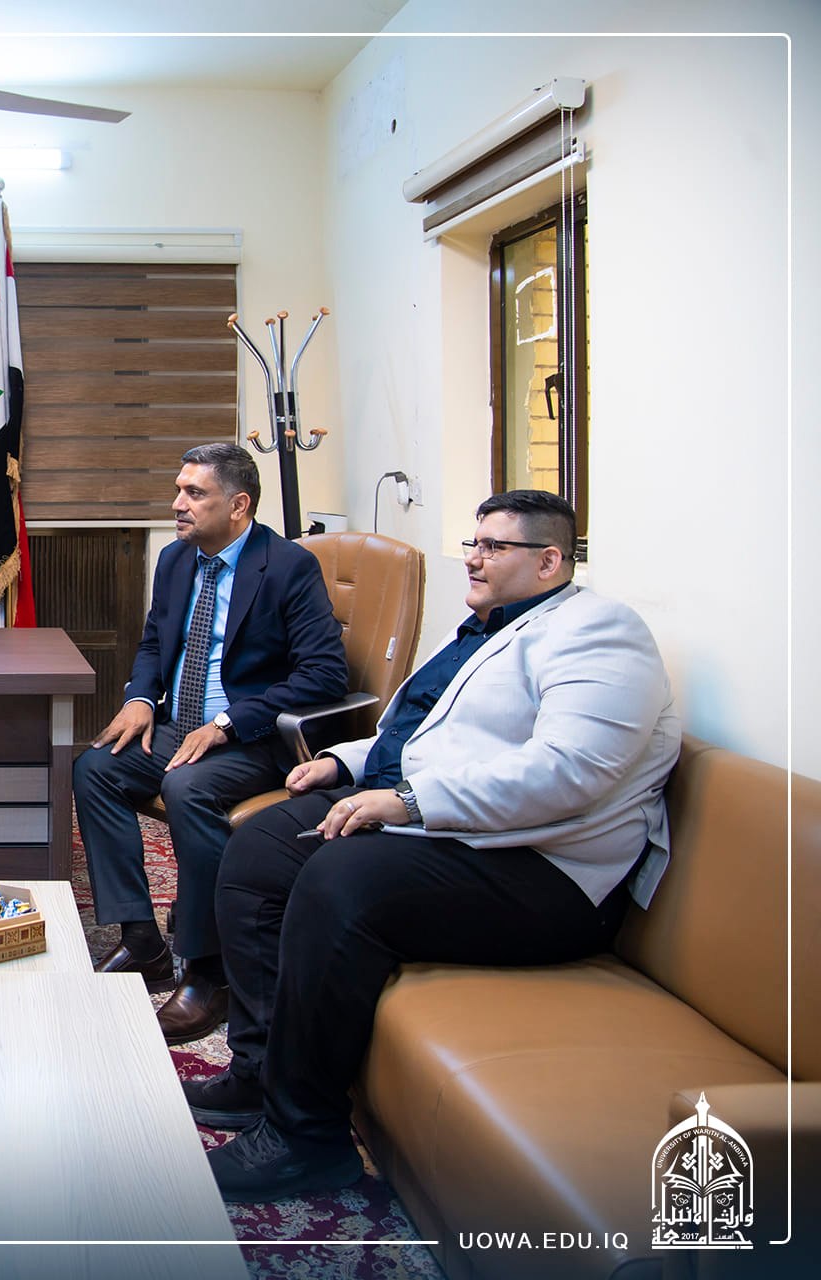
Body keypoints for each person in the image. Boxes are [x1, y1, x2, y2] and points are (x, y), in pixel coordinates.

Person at [190, 490, 681, 1202]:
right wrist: (346, 763)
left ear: (550, 561)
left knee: (339, 879)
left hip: (543, 870)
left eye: (493, 547)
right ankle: (261, 1074)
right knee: (261, 849)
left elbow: (570, 772)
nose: (472, 559)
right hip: (454, 826)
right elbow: (424, 735)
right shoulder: (485, 628)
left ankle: (306, 1139)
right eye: (473, 542)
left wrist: (409, 801)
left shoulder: (601, 634)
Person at [73, 442, 346, 1043]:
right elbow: (153, 643)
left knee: (186, 787)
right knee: (95, 768)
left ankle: (210, 971)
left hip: (252, 735)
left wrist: (227, 723)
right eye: (179, 489)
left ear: (239, 505)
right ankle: (142, 940)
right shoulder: (176, 559)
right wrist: (141, 698)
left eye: (194, 493)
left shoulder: (288, 567)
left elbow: (325, 674)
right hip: (179, 722)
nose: (178, 503)